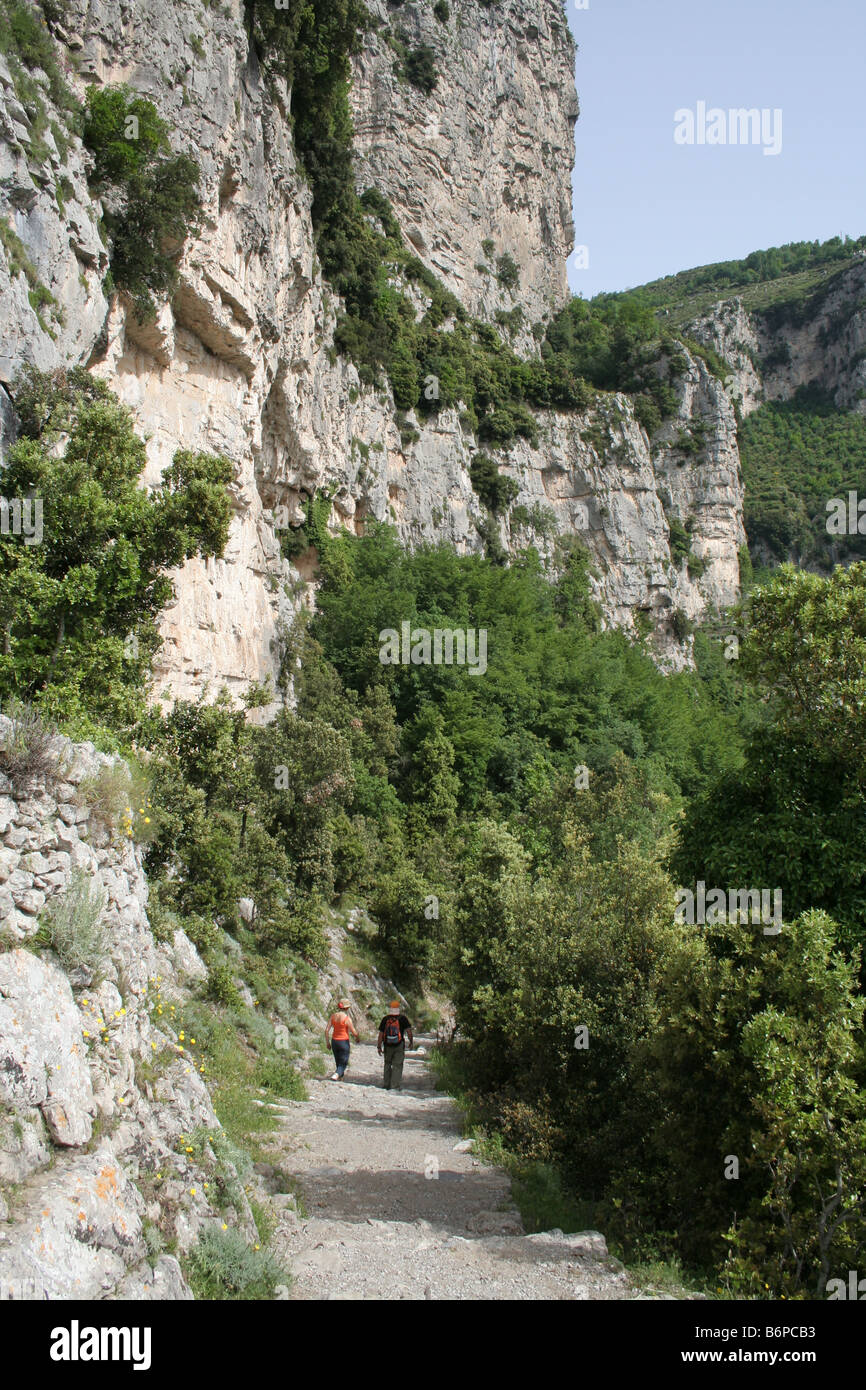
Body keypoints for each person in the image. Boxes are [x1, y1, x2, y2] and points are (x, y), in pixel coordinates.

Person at [377, 1001, 413, 1090]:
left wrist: (379, 1046)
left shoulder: (385, 1019)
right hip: (399, 1045)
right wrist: (411, 1041)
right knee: (397, 1065)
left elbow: (381, 1034)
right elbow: (409, 1031)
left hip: (387, 1045)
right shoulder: (403, 1019)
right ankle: (395, 1085)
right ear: (398, 1009)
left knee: (387, 1064)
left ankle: (386, 1084)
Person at [325, 998, 358, 1080]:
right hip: (343, 1041)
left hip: (334, 1041)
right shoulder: (347, 1019)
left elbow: (326, 1030)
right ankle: (336, 1074)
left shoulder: (333, 1016)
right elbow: (354, 1031)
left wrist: (327, 1043)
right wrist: (357, 1037)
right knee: (344, 1061)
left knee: (338, 1060)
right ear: (347, 1008)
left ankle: (340, 1077)